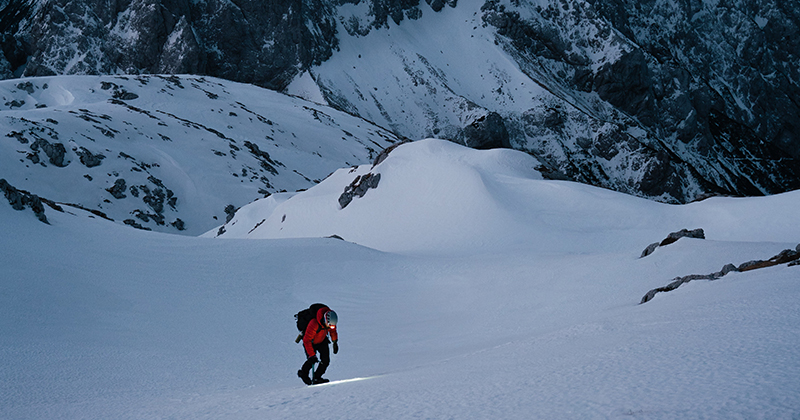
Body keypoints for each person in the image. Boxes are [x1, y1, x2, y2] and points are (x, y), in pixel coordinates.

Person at [297, 305, 338, 385]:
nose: (330, 327)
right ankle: (303, 374)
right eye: (329, 325)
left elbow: (333, 331)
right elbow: (307, 340)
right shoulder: (314, 323)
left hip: (322, 340)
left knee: (325, 361)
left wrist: (335, 342)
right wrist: (312, 355)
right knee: (311, 360)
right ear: (325, 320)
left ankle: (317, 377)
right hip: (310, 343)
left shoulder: (331, 322)